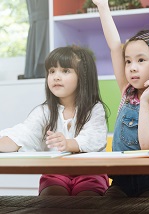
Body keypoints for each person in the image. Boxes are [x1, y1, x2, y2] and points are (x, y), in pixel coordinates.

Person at [93, 0, 149, 197]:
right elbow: (116, 47)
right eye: (128, 61)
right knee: (107, 204)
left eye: (141, 60)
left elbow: (147, 145)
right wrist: (102, 6)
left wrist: (144, 102)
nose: (132, 67)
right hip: (121, 179)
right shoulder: (127, 91)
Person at [0, 45, 109, 196]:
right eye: (52, 71)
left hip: (90, 172)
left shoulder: (94, 109)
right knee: (52, 197)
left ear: (83, 76)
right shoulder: (44, 111)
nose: (56, 76)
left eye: (65, 71)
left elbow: (94, 139)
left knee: (87, 197)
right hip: (55, 173)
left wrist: (68, 143)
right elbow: (24, 134)